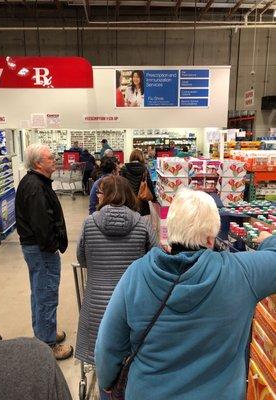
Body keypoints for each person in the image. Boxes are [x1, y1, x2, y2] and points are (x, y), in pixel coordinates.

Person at [95, 188, 276, 400]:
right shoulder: (241, 274)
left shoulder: (137, 274)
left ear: (170, 231)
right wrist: (267, 239)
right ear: (211, 239)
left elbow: (108, 344)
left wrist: (107, 381)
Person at [75, 175, 158, 400]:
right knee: (132, 363)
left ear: (107, 196)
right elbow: (154, 259)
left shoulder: (90, 222)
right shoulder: (142, 224)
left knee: (104, 367)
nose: (98, 196)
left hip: (96, 305)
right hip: (134, 306)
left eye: (101, 193)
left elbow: (82, 258)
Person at [15, 144, 73, 360]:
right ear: (38, 163)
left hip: (36, 248)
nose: (55, 160)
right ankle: (48, 345)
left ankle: (43, 333)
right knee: (46, 294)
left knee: (40, 292)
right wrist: (52, 246)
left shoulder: (35, 182)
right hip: (41, 250)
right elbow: (42, 224)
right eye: (50, 158)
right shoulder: (35, 186)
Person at [0, 323, 72, 400]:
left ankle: (46, 333)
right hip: (37, 356)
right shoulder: (35, 355)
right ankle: (48, 340)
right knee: (46, 301)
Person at [120, 149, 156, 217]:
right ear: (141, 157)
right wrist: (154, 198)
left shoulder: (124, 169)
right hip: (142, 201)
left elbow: (121, 186)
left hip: (128, 201)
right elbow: (149, 184)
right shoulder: (144, 169)